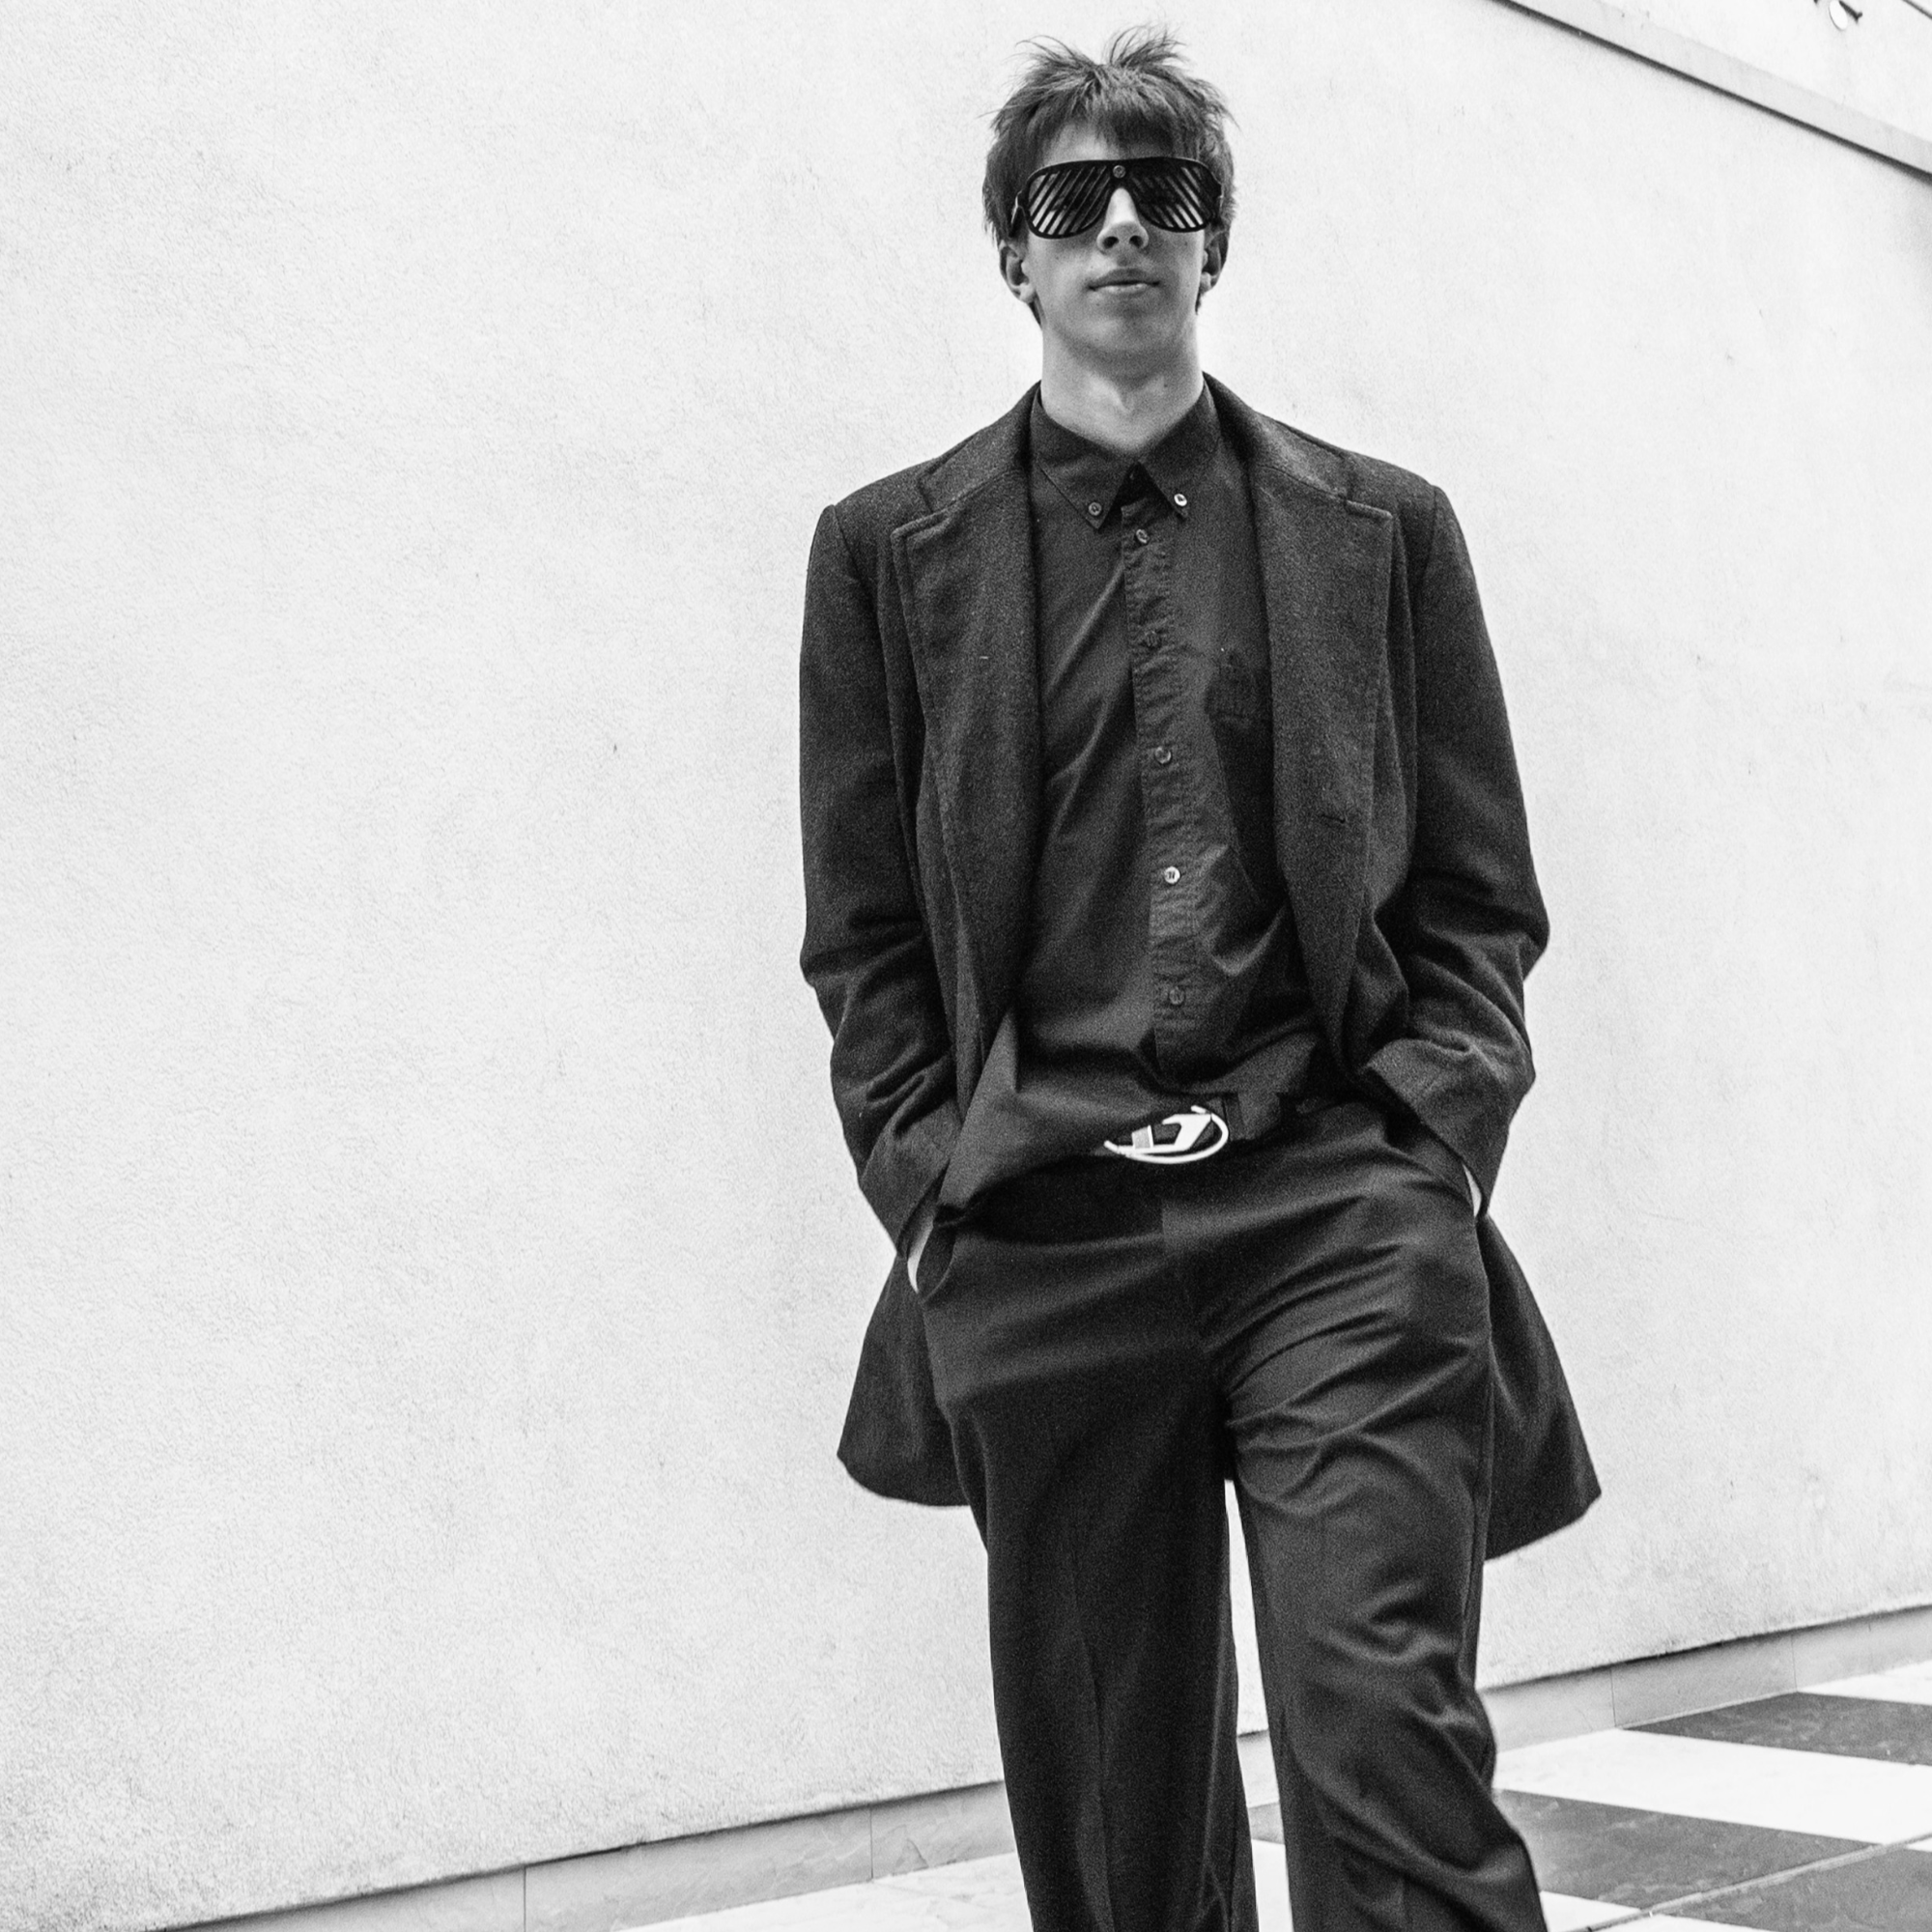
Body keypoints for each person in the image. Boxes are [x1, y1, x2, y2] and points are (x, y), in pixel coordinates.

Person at [798, 28, 1597, 1932]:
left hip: (1335, 1207)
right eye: (1071, 198)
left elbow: (1476, 893)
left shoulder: (1379, 531)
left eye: (1163, 193)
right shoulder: (885, 555)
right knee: (1116, 1825)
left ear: (1213, 240)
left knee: (1387, 1741)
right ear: (1014, 251)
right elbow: (865, 932)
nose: (1122, 227)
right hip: (1043, 1232)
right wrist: (932, 1182)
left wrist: (1429, 1143)